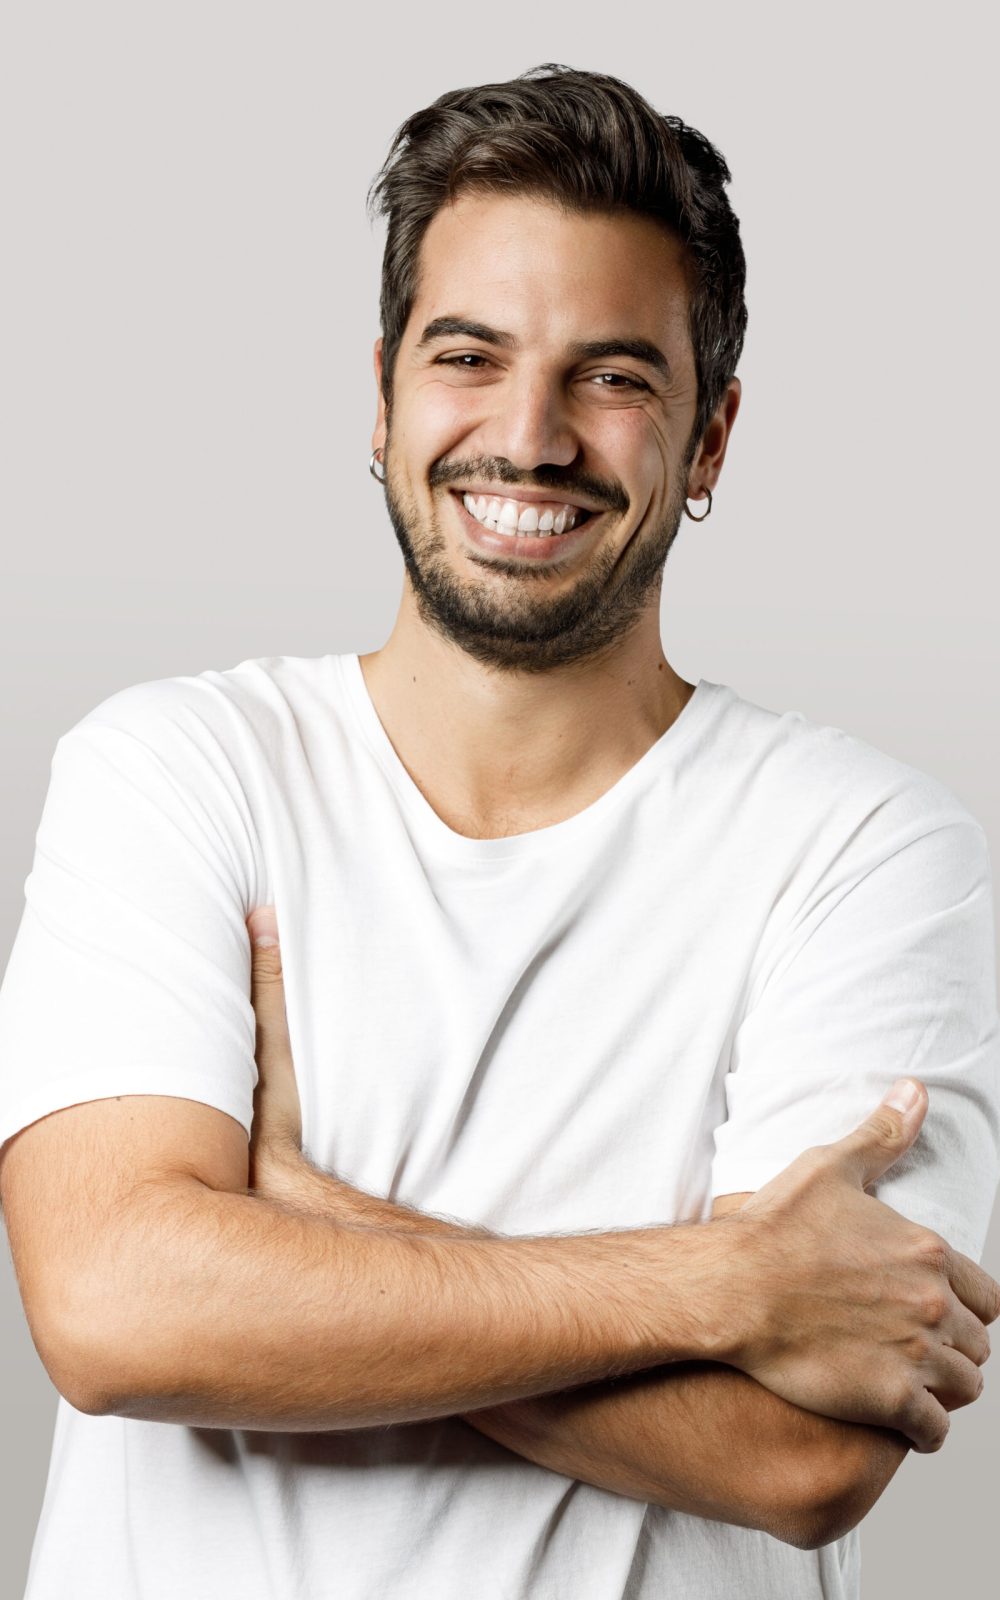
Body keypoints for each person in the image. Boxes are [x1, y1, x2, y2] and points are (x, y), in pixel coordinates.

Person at [0, 61, 998, 1600]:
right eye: (469, 356)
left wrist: (307, 1228)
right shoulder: (178, 769)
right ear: (383, 392)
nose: (529, 438)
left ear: (713, 437)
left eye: (613, 375)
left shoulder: (866, 850)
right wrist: (726, 1284)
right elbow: (120, 1311)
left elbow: (803, 1463)